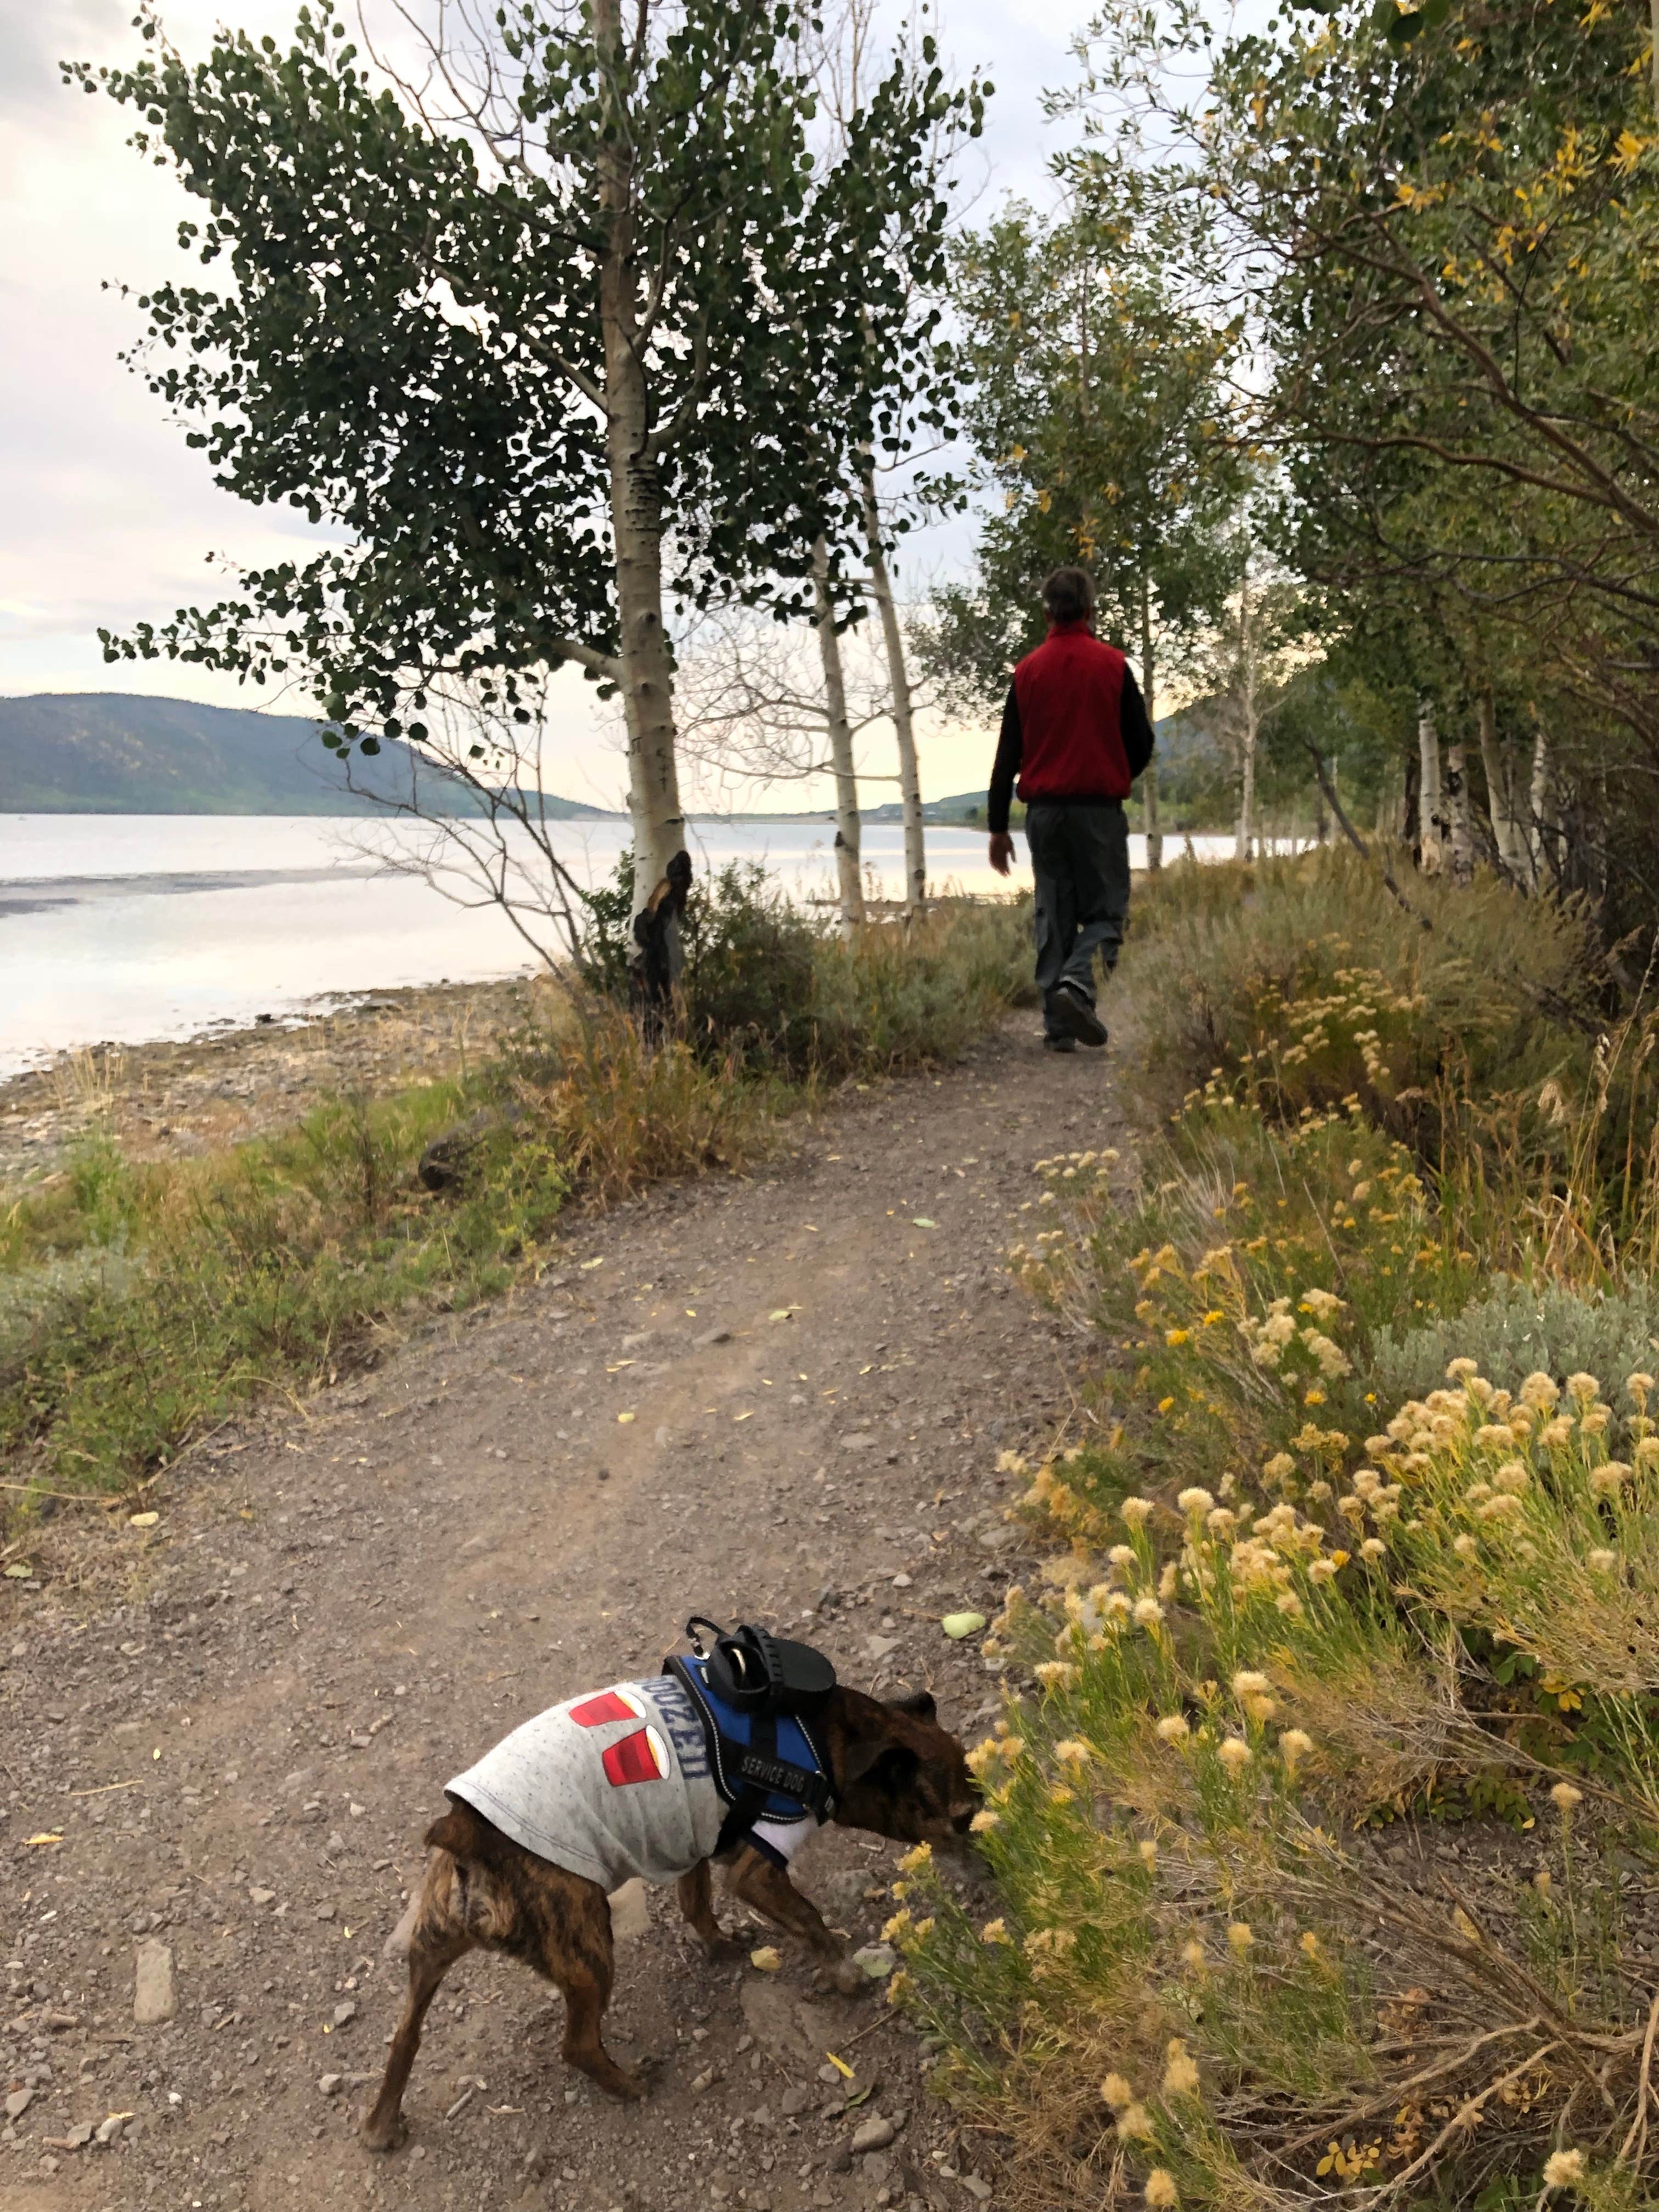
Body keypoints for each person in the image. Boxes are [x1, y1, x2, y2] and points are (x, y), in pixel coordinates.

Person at [986, 567, 1155, 1052]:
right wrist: (1111, 770)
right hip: (1099, 811)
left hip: (1044, 815)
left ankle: (1058, 1023)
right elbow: (1142, 743)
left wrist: (998, 829)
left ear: (1046, 613)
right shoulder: (1113, 666)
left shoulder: (1028, 672)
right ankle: (1077, 985)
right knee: (1107, 913)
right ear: (1091, 612)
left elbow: (1006, 759)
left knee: (1054, 913)